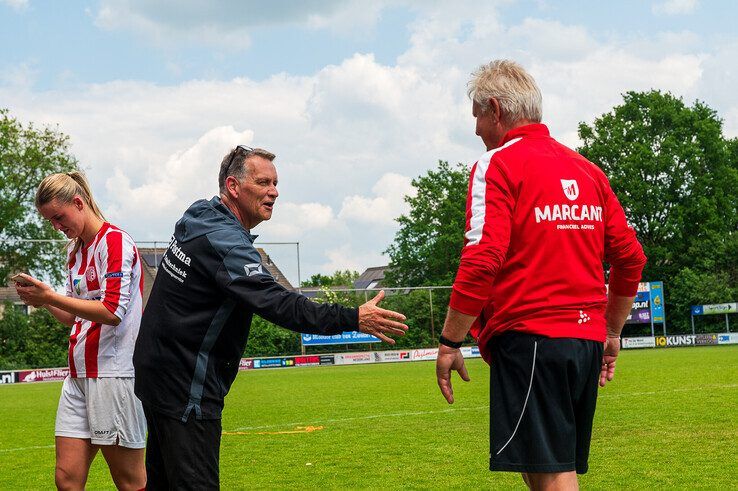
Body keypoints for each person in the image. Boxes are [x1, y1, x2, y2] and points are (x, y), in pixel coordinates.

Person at [133, 145, 408, 490]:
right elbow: (279, 303)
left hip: (155, 373)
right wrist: (352, 317)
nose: (274, 192)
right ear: (233, 186)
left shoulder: (199, 215)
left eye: (275, 183)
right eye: (263, 182)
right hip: (186, 384)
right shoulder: (227, 244)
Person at [435, 60, 647, 490]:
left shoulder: (497, 165)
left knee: (552, 475)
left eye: (476, 115)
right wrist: (610, 332)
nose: (475, 129)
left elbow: (481, 259)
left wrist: (449, 341)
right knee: (543, 464)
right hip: (584, 343)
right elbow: (630, 258)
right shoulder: (587, 170)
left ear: (495, 109)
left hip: (532, 337)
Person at [14, 172, 146, 491]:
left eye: (59, 217)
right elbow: (73, 316)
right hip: (78, 377)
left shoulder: (115, 241)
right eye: (50, 221)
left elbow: (112, 312)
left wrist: (50, 297)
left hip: (113, 376)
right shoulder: (75, 252)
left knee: (129, 481)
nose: (57, 227)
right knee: (67, 478)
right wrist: (43, 299)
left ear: (78, 202)